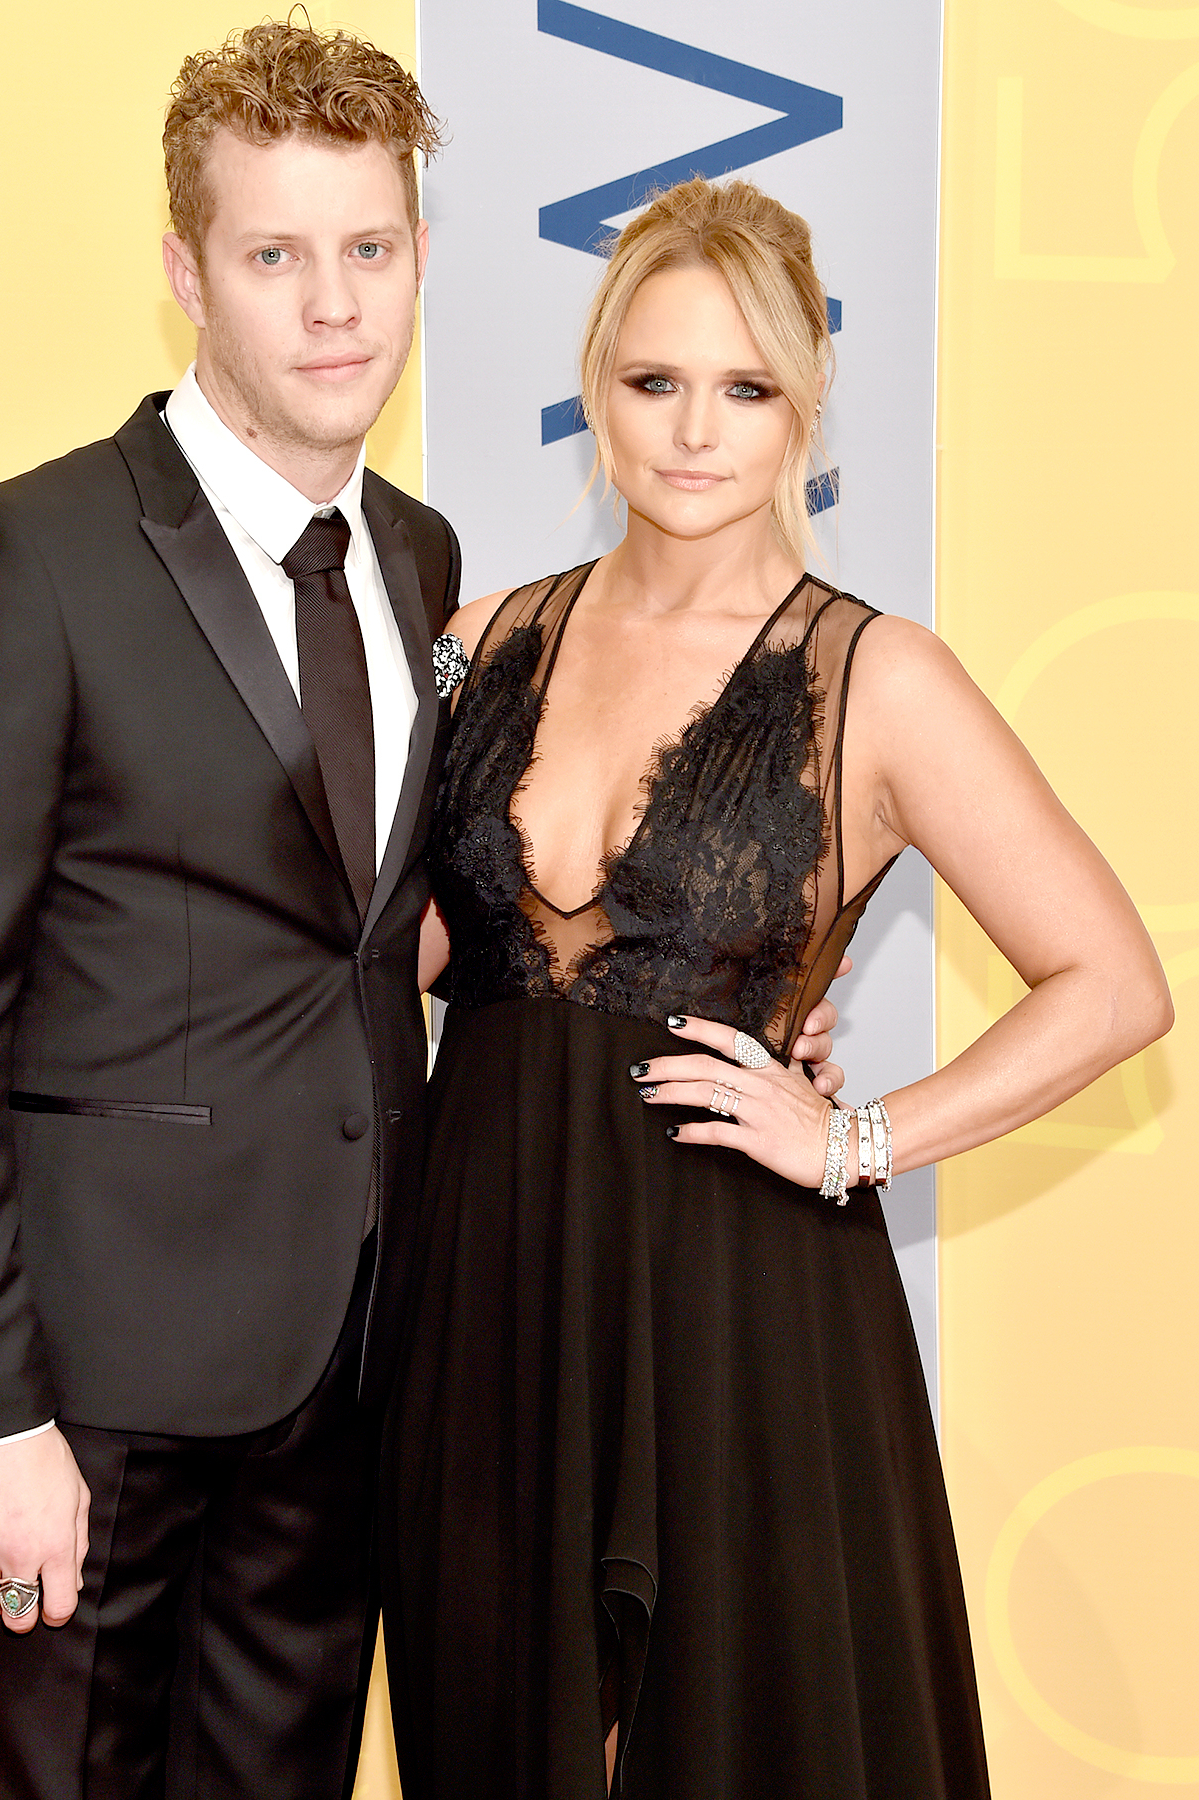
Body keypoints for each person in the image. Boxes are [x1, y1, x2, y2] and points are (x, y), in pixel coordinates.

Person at [380, 176, 1173, 1799]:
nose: (693, 431)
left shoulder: (878, 676)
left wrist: (856, 1139)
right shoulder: (472, 643)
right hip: (481, 1288)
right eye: (653, 381)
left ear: (804, 409)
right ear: (596, 392)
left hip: (735, 1303)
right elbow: (376, 966)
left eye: (743, 388)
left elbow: (1111, 984)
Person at [0, 22, 458, 1800]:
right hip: (81, 1401)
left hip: (343, 1378)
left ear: (419, 252)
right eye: (275, 256)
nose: (334, 307)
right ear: (188, 274)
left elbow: (379, 926)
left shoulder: (416, 558)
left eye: (370, 247)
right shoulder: (19, 559)